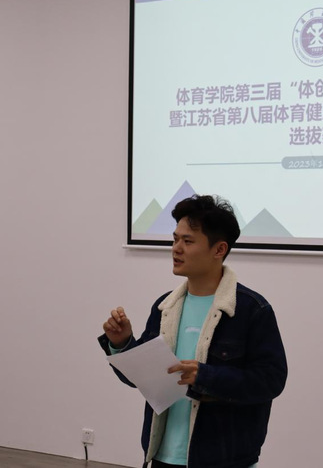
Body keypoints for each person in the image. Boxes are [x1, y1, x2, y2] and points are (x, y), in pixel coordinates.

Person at [98, 195, 287, 468]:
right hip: (161, 456)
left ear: (219, 249)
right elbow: (144, 380)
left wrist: (205, 376)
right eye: (175, 239)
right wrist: (122, 344)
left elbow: (270, 381)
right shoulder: (165, 307)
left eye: (187, 241)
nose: (176, 249)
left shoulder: (251, 310)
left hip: (224, 460)